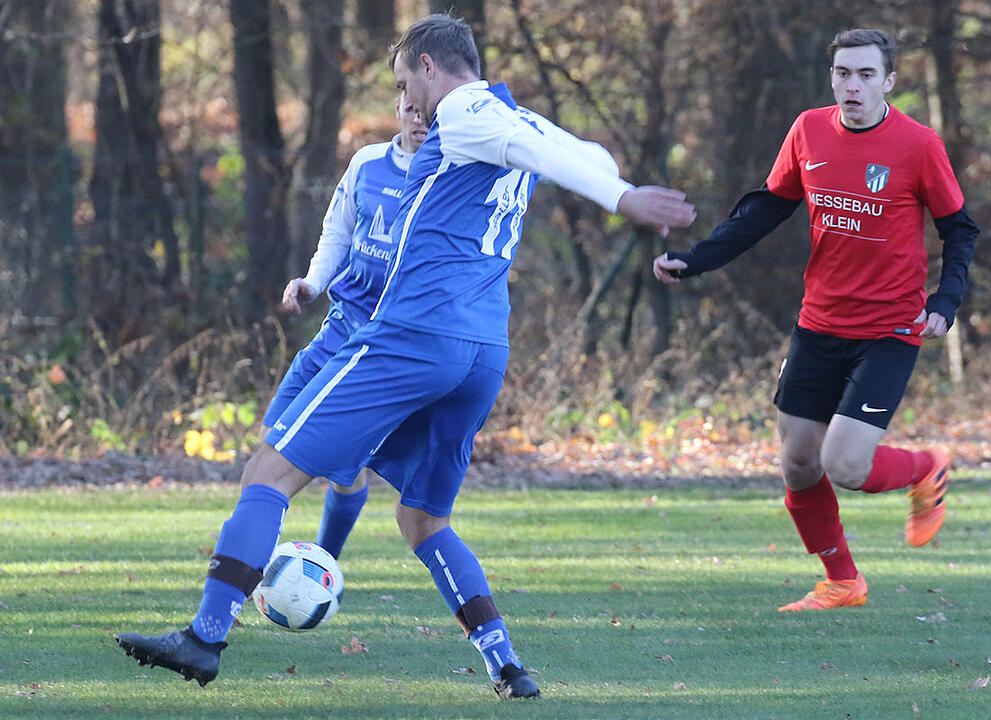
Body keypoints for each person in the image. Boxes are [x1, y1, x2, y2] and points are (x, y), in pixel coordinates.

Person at [117, 13, 695, 699]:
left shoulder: (467, 109)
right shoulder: (512, 117)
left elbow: (570, 162)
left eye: (403, 82)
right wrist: (614, 181)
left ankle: (205, 638)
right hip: (483, 352)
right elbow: (582, 153)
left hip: (417, 336)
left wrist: (624, 198)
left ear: (428, 64)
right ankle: (507, 665)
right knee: (423, 519)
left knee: (267, 472)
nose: (407, 103)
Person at [653, 28, 978, 612]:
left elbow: (960, 230)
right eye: (842, 74)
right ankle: (842, 582)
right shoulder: (807, 130)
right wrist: (696, 260)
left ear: (889, 82)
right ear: (831, 78)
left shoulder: (918, 145)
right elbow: (767, 209)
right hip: (819, 325)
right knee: (798, 463)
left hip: (889, 330)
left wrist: (944, 302)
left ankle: (927, 467)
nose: (852, 86)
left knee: (845, 464)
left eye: (865, 75)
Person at [259, 95, 427, 561]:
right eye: (410, 107)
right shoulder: (368, 163)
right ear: (398, 106)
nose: (419, 118)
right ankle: (245, 571)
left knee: (342, 469)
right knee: (269, 447)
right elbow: (338, 231)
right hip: (336, 330)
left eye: (427, 110)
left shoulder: (447, 177)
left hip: (383, 349)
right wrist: (313, 283)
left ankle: (321, 564)